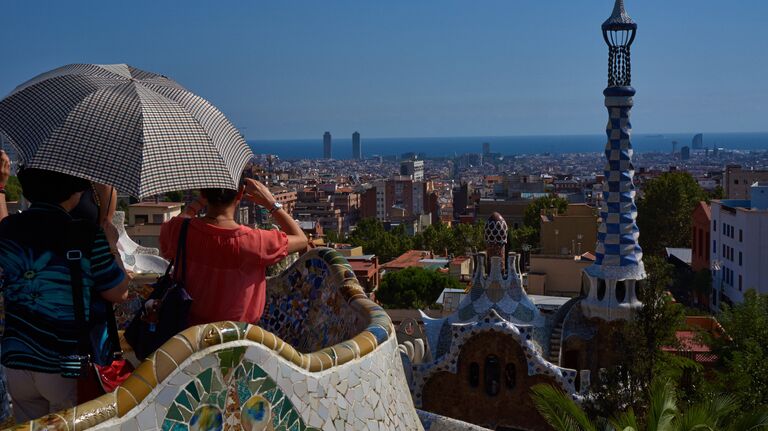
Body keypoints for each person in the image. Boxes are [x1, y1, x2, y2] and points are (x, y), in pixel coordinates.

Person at [0, 168, 129, 423]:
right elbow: (119, 292)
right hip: (64, 363)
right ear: (74, 192)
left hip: (17, 358)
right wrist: (112, 246)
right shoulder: (84, 234)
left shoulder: (8, 229)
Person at [159, 178, 307, 326]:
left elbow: (178, 224)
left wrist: (196, 204)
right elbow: (301, 239)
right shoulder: (254, 241)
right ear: (240, 194)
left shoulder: (179, 230)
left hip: (186, 333)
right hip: (237, 337)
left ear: (203, 193)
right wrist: (271, 203)